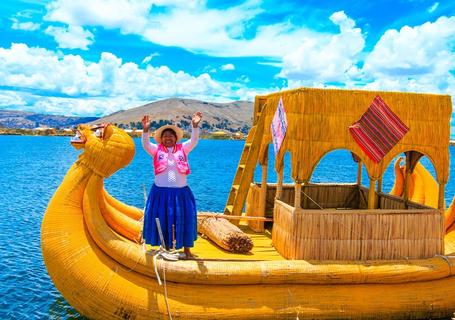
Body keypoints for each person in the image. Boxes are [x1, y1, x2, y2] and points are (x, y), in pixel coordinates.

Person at [141, 112, 202, 259]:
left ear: (176, 138)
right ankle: (164, 247)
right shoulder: (156, 150)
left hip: (180, 193)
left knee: (184, 218)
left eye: (171, 136)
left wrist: (194, 126)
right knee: (162, 219)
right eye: (165, 136)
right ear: (161, 139)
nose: (168, 138)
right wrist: (145, 130)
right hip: (161, 192)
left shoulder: (183, 149)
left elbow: (193, 141)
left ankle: (187, 251)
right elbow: (145, 144)